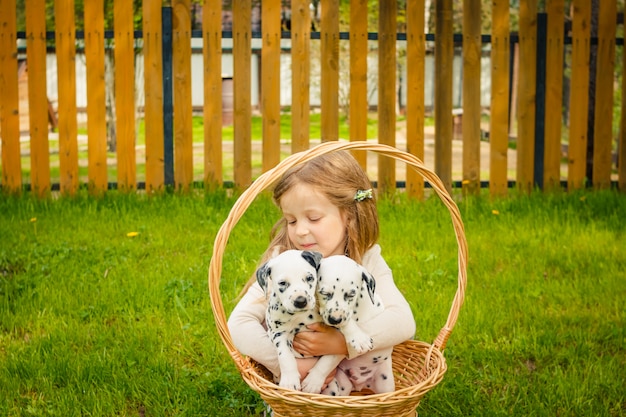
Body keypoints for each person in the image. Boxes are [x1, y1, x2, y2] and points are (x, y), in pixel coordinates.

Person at [227, 150, 416, 391]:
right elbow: (239, 322)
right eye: (291, 221)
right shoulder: (284, 262)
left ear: (349, 215)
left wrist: (342, 342)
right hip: (299, 387)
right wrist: (287, 365)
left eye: (313, 218)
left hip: (355, 380)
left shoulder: (367, 261)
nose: (300, 231)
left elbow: (403, 322)